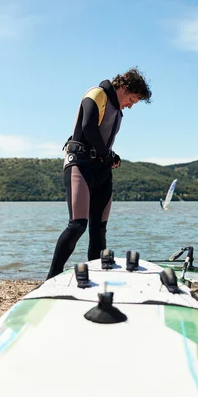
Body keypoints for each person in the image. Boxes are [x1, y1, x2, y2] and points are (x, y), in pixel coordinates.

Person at [46, 67, 152, 279]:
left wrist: (111, 156)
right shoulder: (97, 94)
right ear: (124, 87)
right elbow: (88, 127)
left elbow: (102, 141)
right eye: (132, 99)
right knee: (77, 225)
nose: (131, 105)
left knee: (99, 228)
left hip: (101, 169)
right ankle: (51, 278)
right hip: (80, 164)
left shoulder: (117, 108)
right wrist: (106, 154)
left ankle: (94, 278)